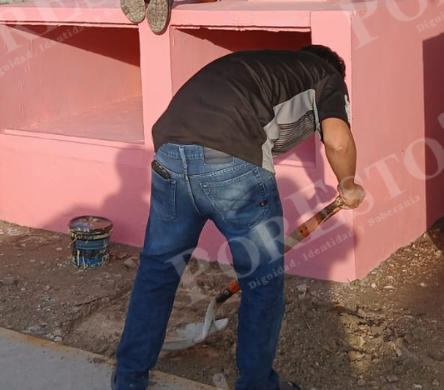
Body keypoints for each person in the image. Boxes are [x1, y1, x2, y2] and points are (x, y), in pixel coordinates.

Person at [112, 45, 368, 390]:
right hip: (231, 163)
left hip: (169, 155)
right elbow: (338, 142)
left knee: (158, 268)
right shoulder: (328, 76)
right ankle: (257, 384)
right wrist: (348, 183)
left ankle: (128, 379)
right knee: (262, 282)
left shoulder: (260, 65)